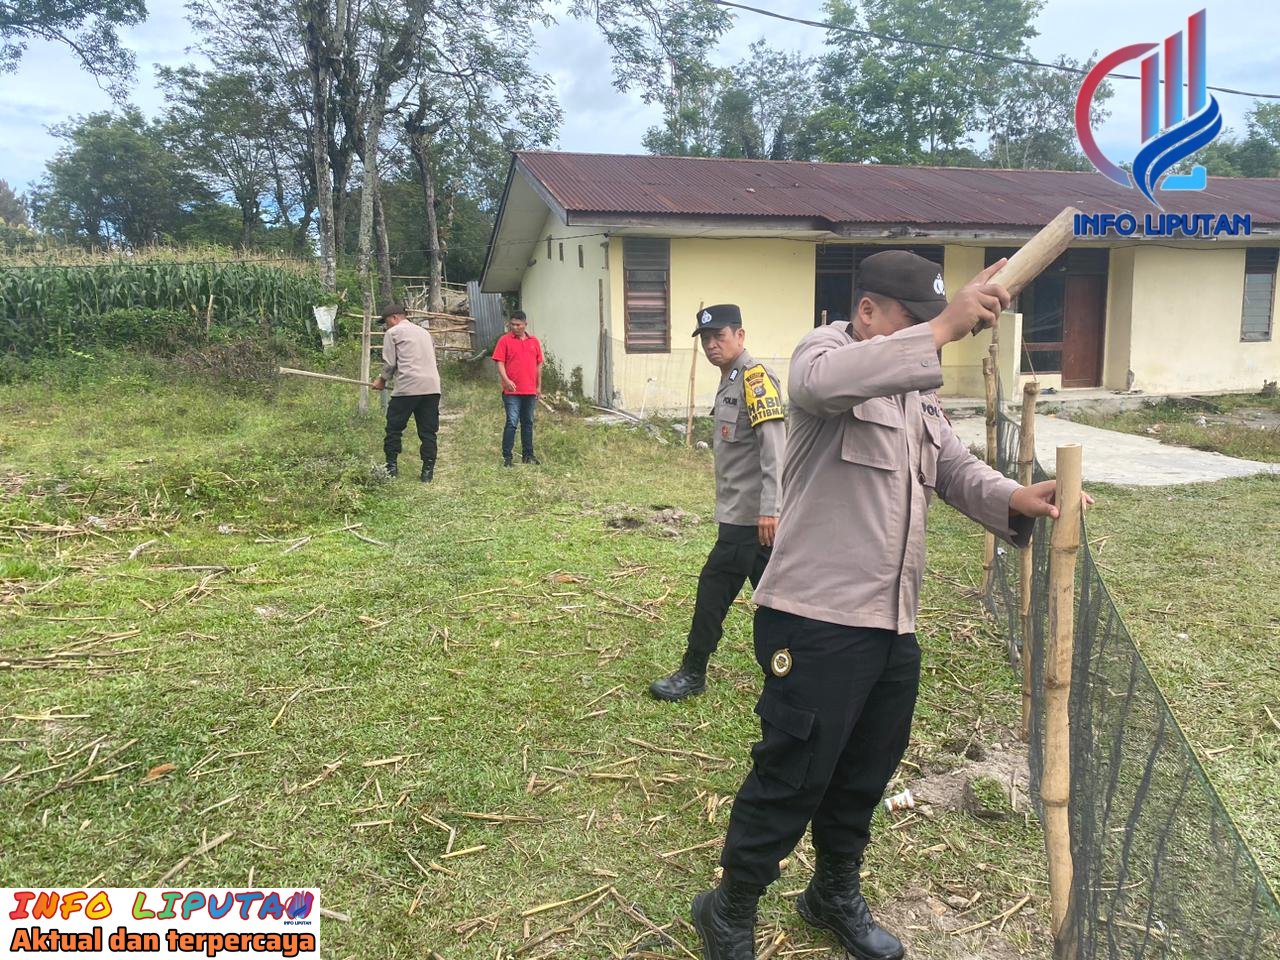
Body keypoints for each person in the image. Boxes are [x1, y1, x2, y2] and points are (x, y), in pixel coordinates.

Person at [692, 252, 1086, 960]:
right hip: (815, 617)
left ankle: (832, 891)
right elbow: (821, 384)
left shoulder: (913, 395)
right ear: (868, 311)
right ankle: (731, 904)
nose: (926, 340)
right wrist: (941, 327)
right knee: (793, 772)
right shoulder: (823, 354)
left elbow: (952, 467)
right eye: (913, 322)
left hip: (890, 621)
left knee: (864, 770)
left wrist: (1014, 498)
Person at [649, 304, 785, 702]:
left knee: (719, 592)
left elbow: (774, 448)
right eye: (706, 339)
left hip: (753, 518)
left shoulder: (755, 378)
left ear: (740, 336)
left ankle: (695, 672)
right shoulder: (731, 378)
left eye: (719, 336)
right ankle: (788, 671)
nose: (712, 345)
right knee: (773, 600)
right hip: (739, 516)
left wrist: (770, 509)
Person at [370, 303, 441, 483]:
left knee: (394, 428)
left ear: (395, 318)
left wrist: (381, 380)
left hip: (408, 387)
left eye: (386, 322)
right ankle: (427, 471)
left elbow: (390, 363)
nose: (386, 326)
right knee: (428, 430)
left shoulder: (392, 333)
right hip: (432, 387)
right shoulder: (425, 333)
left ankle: (391, 466)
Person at [492, 311, 544, 466]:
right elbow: (499, 362)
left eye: (518, 325)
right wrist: (506, 380)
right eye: (512, 324)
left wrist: (539, 387)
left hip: (530, 390)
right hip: (512, 391)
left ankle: (528, 455)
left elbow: (538, 365)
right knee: (512, 423)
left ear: (525, 325)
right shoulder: (504, 340)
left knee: (528, 423)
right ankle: (507, 457)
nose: (515, 327)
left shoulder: (534, 342)